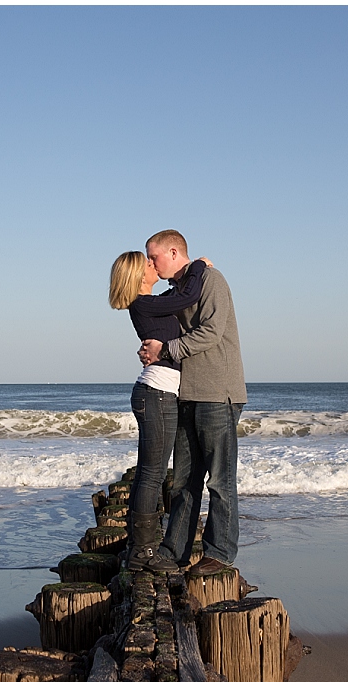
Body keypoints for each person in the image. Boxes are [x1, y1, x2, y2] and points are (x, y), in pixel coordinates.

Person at [138, 229, 246, 576]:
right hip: (186, 393)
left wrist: (165, 349)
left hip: (217, 392)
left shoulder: (212, 281)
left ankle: (220, 553)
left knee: (220, 480)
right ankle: (174, 551)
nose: (150, 264)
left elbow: (211, 332)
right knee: (184, 479)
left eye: (153, 257)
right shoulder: (179, 292)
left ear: (173, 252)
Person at [109, 250, 210, 572]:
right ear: (139, 275)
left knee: (150, 472)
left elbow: (178, 296)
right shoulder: (143, 303)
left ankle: (142, 547)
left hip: (159, 393)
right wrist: (197, 266)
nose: (154, 266)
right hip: (157, 394)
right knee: (151, 473)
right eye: (148, 263)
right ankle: (142, 553)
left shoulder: (152, 302)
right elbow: (189, 295)